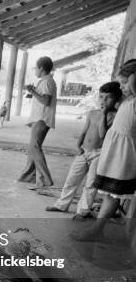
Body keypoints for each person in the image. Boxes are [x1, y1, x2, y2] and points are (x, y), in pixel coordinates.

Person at [72, 60, 136, 243]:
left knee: (114, 193)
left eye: (125, 82)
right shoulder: (127, 100)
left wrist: (131, 76)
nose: (122, 86)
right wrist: (124, 76)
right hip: (113, 151)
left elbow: (132, 81)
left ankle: (96, 230)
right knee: (108, 193)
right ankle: (97, 229)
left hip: (123, 155)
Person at [46, 82, 121, 220]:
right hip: (84, 151)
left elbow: (102, 134)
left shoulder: (115, 117)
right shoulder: (92, 113)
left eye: (108, 98)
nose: (103, 101)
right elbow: (84, 131)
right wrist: (78, 145)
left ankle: (82, 211)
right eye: (101, 97)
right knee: (71, 179)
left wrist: (104, 114)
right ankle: (62, 205)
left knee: (91, 184)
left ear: (116, 99)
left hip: (99, 154)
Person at [16, 56, 57, 189]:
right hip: (39, 119)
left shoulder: (47, 82)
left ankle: (46, 178)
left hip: (42, 119)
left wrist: (33, 91)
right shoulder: (44, 81)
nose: (35, 70)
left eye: (36, 67)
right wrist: (32, 91)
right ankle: (29, 176)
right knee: (33, 148)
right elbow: (41, 99)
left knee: (34, 148)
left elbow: (46, 101)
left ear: (41, 68)